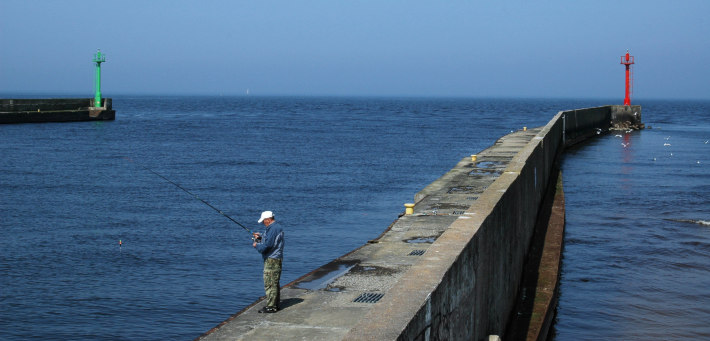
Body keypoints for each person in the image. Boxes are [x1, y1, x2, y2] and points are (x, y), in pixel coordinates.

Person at [252, 210, 284, 313]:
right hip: (275, 258)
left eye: (264, 221)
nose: (263, 223)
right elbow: (270, 241)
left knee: (270, 283)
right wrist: (260, 238)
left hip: (272, 260)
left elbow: (268, 246)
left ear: (268, 219)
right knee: (274, 282)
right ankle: (275, 304)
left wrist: (257, 246)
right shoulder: (275, 227)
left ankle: (271, 306)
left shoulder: (273, 228)